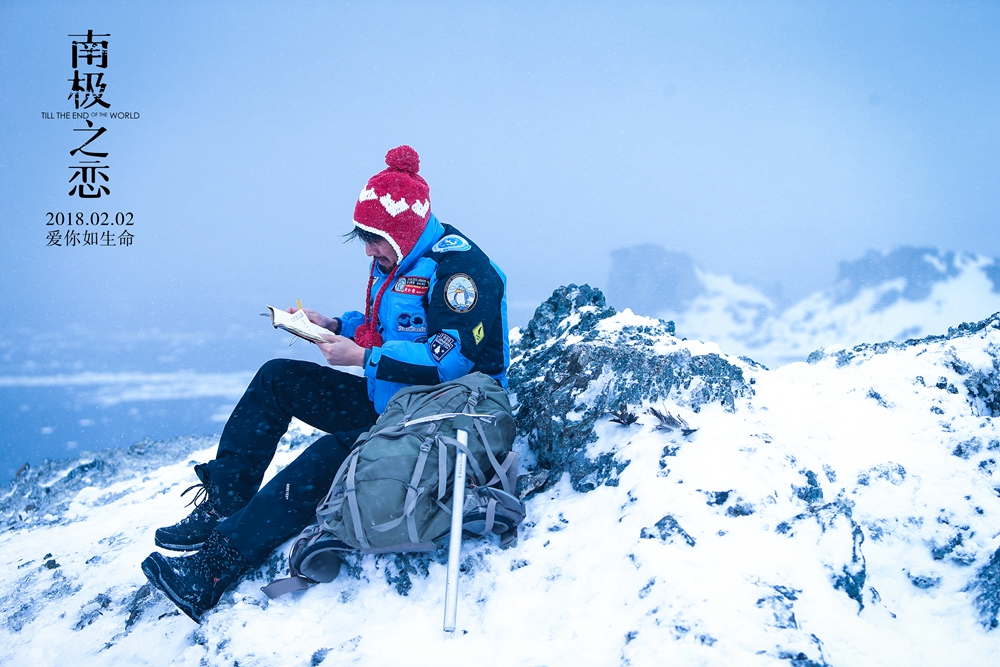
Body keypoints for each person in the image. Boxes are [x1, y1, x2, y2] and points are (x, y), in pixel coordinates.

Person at [141, 145, 510, 622]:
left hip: (441, 419)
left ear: (403, 230)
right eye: (365, 237)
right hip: (394, 403)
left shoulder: (459, 271)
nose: (368, 249)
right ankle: (223, 505)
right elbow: (395, 328)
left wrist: (364, 357)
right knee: (278, 377)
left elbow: (452, 361)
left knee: (330, 456)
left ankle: (211, 572)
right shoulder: (397, 260)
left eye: (375, 239)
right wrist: (336, 325)